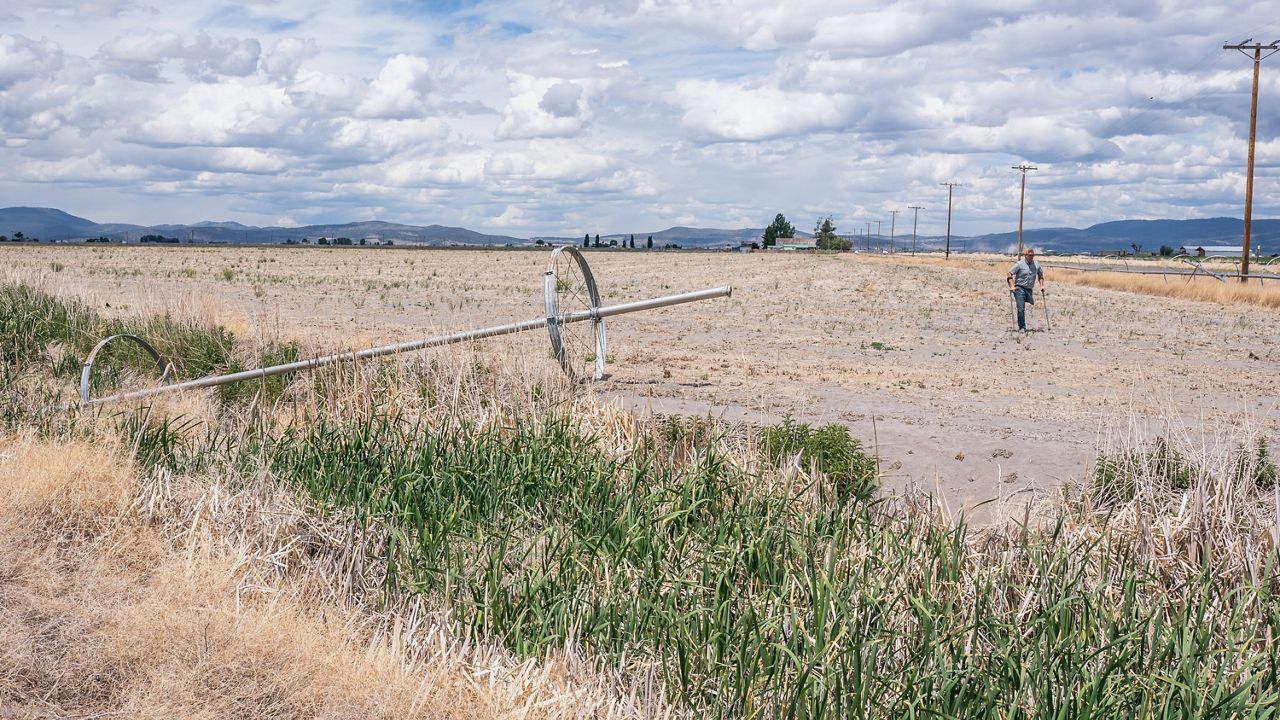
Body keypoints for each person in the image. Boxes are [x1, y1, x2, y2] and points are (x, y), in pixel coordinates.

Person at [1007, 248, 1045, 332]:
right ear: (1026, 255)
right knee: (1021, 307)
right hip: (1019, 288)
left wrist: (1042, 285)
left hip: (1029, 289)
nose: (1031, 257)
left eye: (1032, 255)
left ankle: (1023, 325)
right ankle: (1022, 327)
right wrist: (1012, 286)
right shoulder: (1019, 264)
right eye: (1029, 255)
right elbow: (1009, 273)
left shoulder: (1036, 264)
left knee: (1030, 304)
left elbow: (1040, 275)